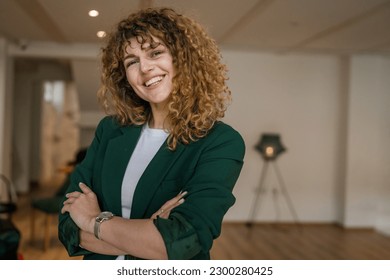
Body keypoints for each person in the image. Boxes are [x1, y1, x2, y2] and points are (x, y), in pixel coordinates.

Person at [58, 7, 245, 260]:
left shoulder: (220, 142)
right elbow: (68, 224)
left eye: (155, 53)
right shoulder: (110, 130)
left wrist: (93, 220)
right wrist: (149, 233)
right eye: (132, 62)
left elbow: (184, 241)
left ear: (183, 59)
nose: (144, 68)